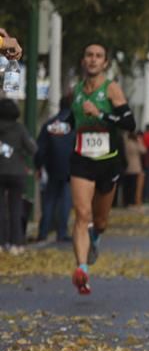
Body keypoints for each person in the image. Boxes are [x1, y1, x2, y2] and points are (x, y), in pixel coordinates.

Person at [68, 42, 136, 294]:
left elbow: (130, 123)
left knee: (100, 220)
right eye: (89, 55)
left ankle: (96, 238)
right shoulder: (75, 90)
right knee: (81, 215)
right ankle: (82, 269)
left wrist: (101, 114)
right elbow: (69, 118)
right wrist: (60, 128)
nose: (93, 60)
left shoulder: (112, 89)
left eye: (98, 56)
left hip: (108, 160)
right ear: (83, 61)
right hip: (82, 158)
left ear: (105, 63)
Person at [35, 95, 75, 243]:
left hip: (52, 167)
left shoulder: (49, 125)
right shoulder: (76, 124)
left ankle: (44, 231)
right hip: (70, 168)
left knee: (49, 200)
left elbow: (40, 149)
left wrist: (39, 166)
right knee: (65, 200)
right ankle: (62, 232)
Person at [0, 99, 34, 254]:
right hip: (17, 172)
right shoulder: (20, 129)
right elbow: (32, 148)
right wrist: (20, 154)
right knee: (16, 208)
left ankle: (1, 243)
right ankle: (17, 243)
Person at [122, 130, 146, 207]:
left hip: (127, 167)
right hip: (135, 167)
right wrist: (139, 142)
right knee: (133, 187)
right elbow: (144, 150)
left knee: (127, 186)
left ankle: (126, 201)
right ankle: (132, 202)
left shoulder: (125, 143)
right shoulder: (135, 144)